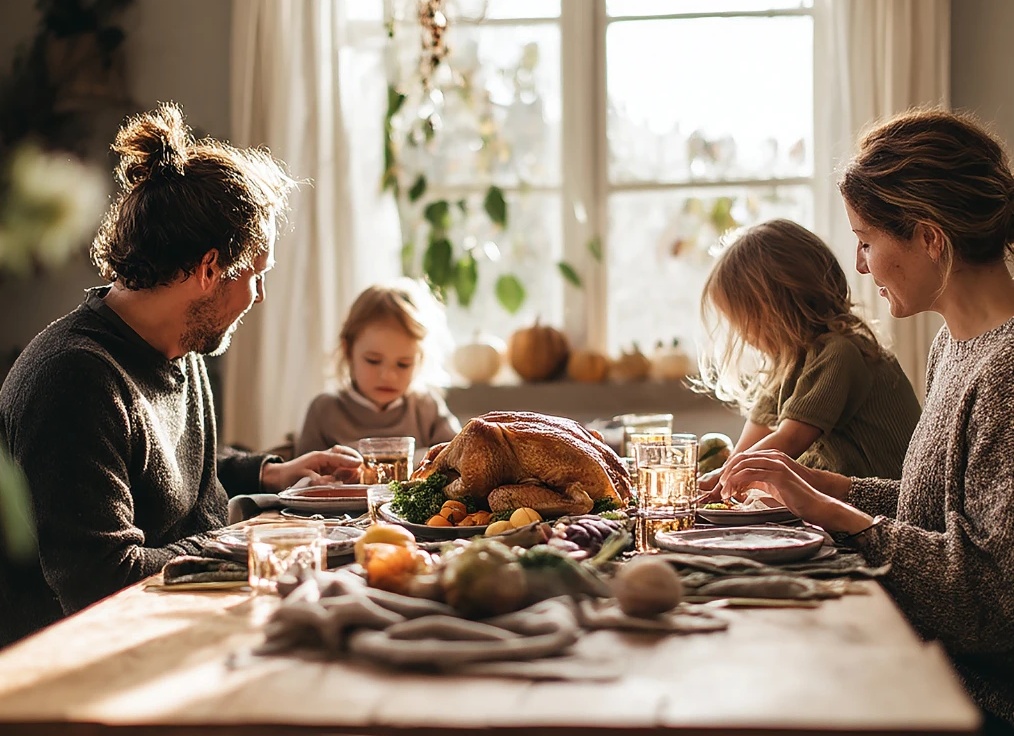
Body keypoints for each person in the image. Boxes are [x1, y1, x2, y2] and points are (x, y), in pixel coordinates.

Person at [0, 103, 362, 647]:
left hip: (176, 623)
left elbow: (173, 478)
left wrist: (270, 475)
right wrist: (253, 544)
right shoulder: (74, 379)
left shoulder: (178, 347)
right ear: (209, 269)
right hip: (83, 661)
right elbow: (103, 579)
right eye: (255, 276)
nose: (258, 296)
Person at [716, 109, 1014, 733]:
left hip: (976, 700)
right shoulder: (953, 348)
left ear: (931, 239)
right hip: (930, 663)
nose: (858, 266)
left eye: (867, 240)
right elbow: (933, 514)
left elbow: (994, 600)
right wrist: (831, 489)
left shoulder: (1005, 373)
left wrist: (835, 517)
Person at [696, 219, 921, 496]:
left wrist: (723, 486)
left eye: (743, 322)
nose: (743, 335)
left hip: (883, 504)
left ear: (774, 310)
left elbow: (789, 440)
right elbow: (747, 450)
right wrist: (713, 481)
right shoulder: (790, 362)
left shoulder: (840, 352)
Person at [295, 279, 461, 463]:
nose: (388, 376)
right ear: (348, 350)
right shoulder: (324, 410)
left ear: (419, 359)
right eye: (373, 361)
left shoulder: (426, 408)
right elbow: (303, 477)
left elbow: (458, 459)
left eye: (403, 364)